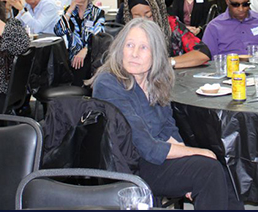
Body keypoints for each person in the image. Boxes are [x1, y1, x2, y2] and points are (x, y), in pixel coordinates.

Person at [90, 18, 243, 209]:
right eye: (129, 45)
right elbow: (146, 146)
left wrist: (190, 162)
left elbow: (169, 129)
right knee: (208, 169)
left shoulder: (154, 81)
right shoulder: (108, 83)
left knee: (218, 167)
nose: (134, 53)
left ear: (156, 55)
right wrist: (197, 153)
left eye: (143, 47)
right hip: (128, 165)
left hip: (152, 159)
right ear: (120, 48)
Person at [121, 0, 211, 68]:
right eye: (137, 17)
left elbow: (203, 53)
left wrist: (166, 63)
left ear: (158, 12)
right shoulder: (127, 34)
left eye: (149, 16)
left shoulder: (172, 26)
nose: (143, 22)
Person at [55, 0, 107, 75]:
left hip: (91, 58)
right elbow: (58, 31)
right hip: (72, 58)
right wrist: (69, 11)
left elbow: (99, 37)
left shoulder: (97, 13)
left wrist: (85, 49)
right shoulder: (70, 12)